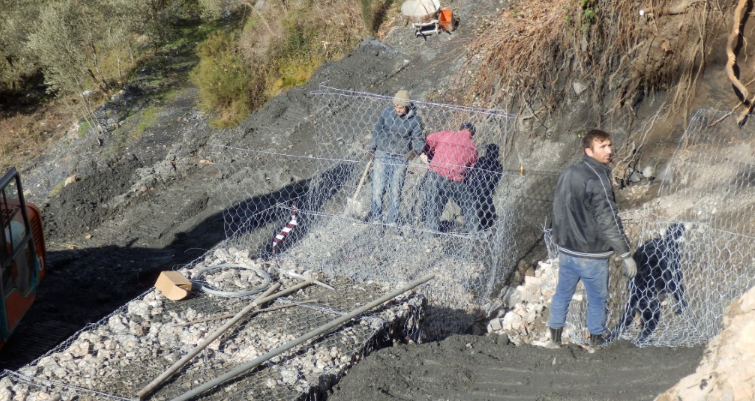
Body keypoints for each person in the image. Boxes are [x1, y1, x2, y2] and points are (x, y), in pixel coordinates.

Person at [546, 129, 637, 351]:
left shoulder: (568, 172)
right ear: (589, 150)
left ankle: (554, 340)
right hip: (593, 253)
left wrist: (560, 240)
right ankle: (596, 344)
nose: (609, 150)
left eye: (609, 145)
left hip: (567, 250)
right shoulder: (599, 179)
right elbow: (608, 220)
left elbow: (558, 207)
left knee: (562, 294)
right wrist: (625, 254)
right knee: (598, 299)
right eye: (603, 147)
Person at [616, 223, 687, 343]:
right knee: (650, 316)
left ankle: (622, 331)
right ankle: (641, 338)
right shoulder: (669, 251)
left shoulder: (653, 245)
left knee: (633, 306)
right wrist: (680, 300)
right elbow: (673, 279)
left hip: (639, 279)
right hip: (650, 282)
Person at [369, 89, 425, 224]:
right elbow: (377, 130)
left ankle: (392, 220)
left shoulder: (414, 121)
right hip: (382, 154)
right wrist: (371, 148)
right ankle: (376, 218)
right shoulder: (386, 113)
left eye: (401, 107)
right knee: (378, 189)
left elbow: (419, 140)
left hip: (400, 158)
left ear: (407, 107)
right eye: (396, 106)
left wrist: (415, 151)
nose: (398, 109)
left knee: (395, 191)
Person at [423, 122, 480, 234]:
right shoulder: (473, 148)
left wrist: (431, 156)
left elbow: (427, 140)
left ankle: (429, 233)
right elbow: (470, 169)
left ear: (459, 129)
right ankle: (474, 231)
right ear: (472, 135)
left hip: (436, 173)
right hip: (455, 179)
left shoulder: (446, 135)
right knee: (469, 205)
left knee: (434, 205)